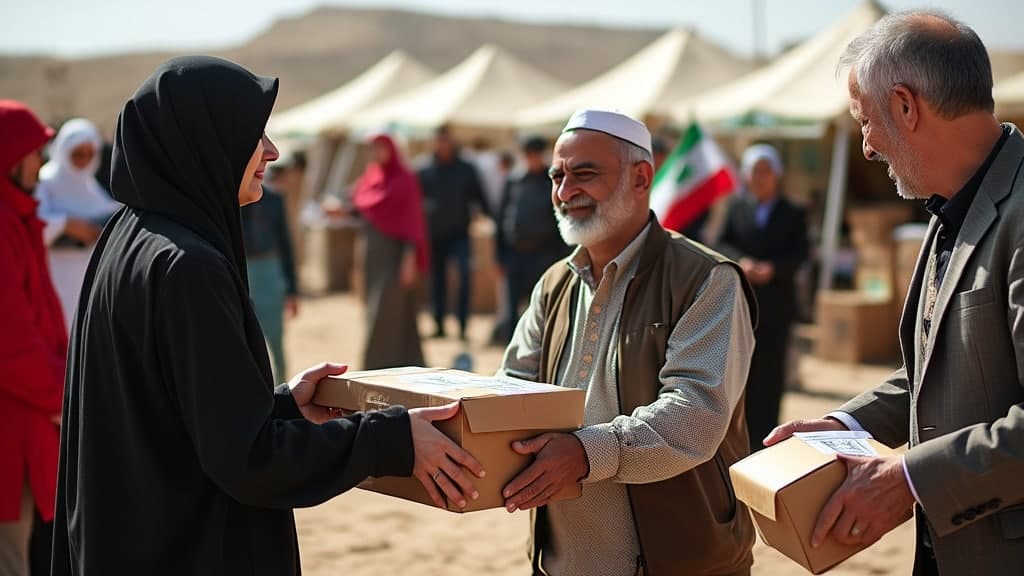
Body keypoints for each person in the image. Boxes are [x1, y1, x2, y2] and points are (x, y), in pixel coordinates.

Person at [50, 56, 484, 576]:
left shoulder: (129, 238)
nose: (273, 153)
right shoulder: (188, 266)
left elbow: (176, 415)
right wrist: (389, 439)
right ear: (206, 140)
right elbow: (248, 461)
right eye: (255, 134)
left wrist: (278, 406)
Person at [765, 12, 1024, 576]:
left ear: (906, 107)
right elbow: (943, 373)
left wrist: (908, 479)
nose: (866, 148)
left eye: (864, 122)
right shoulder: (950, 207)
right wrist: (848, 426)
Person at [499, 109, 758, 576]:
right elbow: (511, 390)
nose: (564, 192)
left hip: (680, 560)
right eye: (557, 176)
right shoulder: (554, 284)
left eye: (585, 174)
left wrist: (584, 453)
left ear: (641, 178)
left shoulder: (705, 279)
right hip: (561, 563)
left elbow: (695, 414)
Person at [0, 101, 65, 576]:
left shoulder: (17, 216)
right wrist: (65, 392)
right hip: (12, 424)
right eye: (33, 152)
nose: (39, 165)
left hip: (31, 416)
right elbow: (10, 341)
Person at [716, 144, 808, 449]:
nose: (759, 178)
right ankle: (739, 441)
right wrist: (742, 262)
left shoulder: (793, 212)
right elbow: (722, 244)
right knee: (742, 377)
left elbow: (802, 253)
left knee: (771, 377)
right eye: (754, 171)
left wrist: (774, 269)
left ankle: (767, 441)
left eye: (765, 171)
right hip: (743, 307)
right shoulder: (737, 209)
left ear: (776, 175)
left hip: (777, 308)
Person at [351, 133, 429, 369]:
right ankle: (406, 363)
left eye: (381, 148)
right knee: (382, 309)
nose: (376, 153)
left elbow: (412, 222)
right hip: (373, 256)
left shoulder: (404, 179)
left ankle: (377, 366)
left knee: (387, 309)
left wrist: (409, 260)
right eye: (373, 149)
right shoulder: (371, 177)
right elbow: (360, 206)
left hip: (395, 257)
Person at [35, 118, 121, 327]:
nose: (84, 160)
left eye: (90, 154)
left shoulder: (95, 189)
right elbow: (34, 225)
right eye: (77, 154)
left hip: (91, 280)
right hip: (55, 277)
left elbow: (114, 219)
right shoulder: (44, 183)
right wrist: (66, 224)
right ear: (63, 151)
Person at [492, 136, 568, 346]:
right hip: (515, 254)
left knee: (541, 307)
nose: (532, 159)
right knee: (511, 308)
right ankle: (510, 348)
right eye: (528, 155)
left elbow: (562, 218)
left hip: (543, 255)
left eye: (535, 155)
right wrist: (499, 257)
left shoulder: (552, 182)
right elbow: (500, 220)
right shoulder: (514, 181)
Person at [417, 124, 488, 341]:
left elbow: (479, 196)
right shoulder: (424, 169)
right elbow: (415, 199)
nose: (443, 145)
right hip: (434, 234)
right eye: (439, 141)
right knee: (437, 280)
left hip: (460, 233)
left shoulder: (466, 168)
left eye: (446, 140)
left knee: (464, 276)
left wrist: (484, 214)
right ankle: (438, 324)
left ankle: (463, 325)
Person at [241, 183, 299, 383]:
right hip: (242, 272)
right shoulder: (232, 197)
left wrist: (292, 289)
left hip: (270, 275)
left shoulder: (274, 199)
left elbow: (285, 244)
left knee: (275, 338)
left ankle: (281, 389)